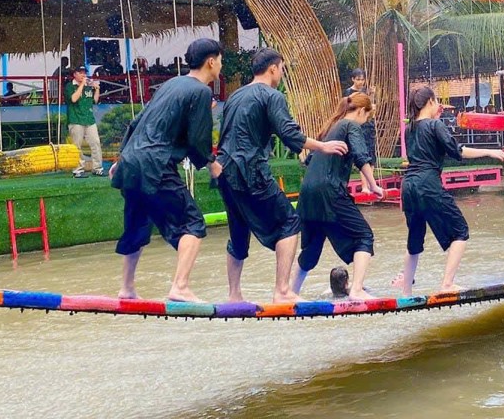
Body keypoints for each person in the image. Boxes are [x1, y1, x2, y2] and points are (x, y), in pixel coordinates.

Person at [215, 48, 348, 304]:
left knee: (238, 232)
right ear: (273, 68)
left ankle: (234, 295)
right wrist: (323, 146)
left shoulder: (235, 96)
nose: (281, 74)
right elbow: (289, 134)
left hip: (225, 172)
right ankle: (282, 291)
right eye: (282, 69)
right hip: (250, 170)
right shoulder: (271, 95)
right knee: (290, 222)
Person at [109, 38, 224, 302]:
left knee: (137, 222)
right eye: (220, 61)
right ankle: (180, 286)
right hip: (155, 163)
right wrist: (212, 163)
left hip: (132, 161)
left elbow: (139, 122)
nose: (220, 66)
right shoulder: (201, 91)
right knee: (193, 223)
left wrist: (122, 159)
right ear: (211, 61)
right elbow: (197, 139)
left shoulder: (172, 84)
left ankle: (126, 288)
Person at [398, 86, 504, 295]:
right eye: (437, 100)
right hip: (427, 184)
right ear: (430, 101)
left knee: (414, 240)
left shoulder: (409, 128)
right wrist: (491, 152)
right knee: (460, 231)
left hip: (409, 186)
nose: (439, 104)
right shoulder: (435, 125)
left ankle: (405, 293)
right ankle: (447, 284)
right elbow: (458, 151)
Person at [294, 92, 385, 300]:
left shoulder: (330, 129)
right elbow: (362, 156)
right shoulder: (350, 126)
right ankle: (357, 289)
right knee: (364, 236)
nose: (365, 122)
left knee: (312, 247)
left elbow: (308, 161)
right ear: (361, 111)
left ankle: (291, 292)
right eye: (367, 118)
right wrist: (373, 186)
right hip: (330, 191)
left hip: (307, 194)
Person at [65, 66, 104, 177]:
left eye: (84, 73)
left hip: (89, 119)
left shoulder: (88, 87)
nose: (83, 75)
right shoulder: (69, 86)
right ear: (75, 75)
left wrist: (97, 89)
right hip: (75, 119)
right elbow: (73, 99)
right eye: (80, 73)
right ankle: (78, 170)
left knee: (95, 143)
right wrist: (82, 85)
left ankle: (97, 168)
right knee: (77, 146)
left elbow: (94, 100)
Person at [343, 68, 377, 164]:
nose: (361, 82)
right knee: (363, 154)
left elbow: (368, 106)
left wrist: (371, 97)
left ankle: (370, 176)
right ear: (353, 79)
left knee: (371, 154)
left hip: (368, 124)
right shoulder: (348, 93)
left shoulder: (366, 91)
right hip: (357, 125)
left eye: (362, 79)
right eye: (358, 79)